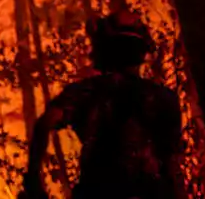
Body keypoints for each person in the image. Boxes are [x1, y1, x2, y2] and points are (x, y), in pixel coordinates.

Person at [21, 11, 183, 199]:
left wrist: (33, 180)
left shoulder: (87, 92)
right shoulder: (164, 97)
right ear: (141, 52)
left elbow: (46, 122)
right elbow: (171, 160)